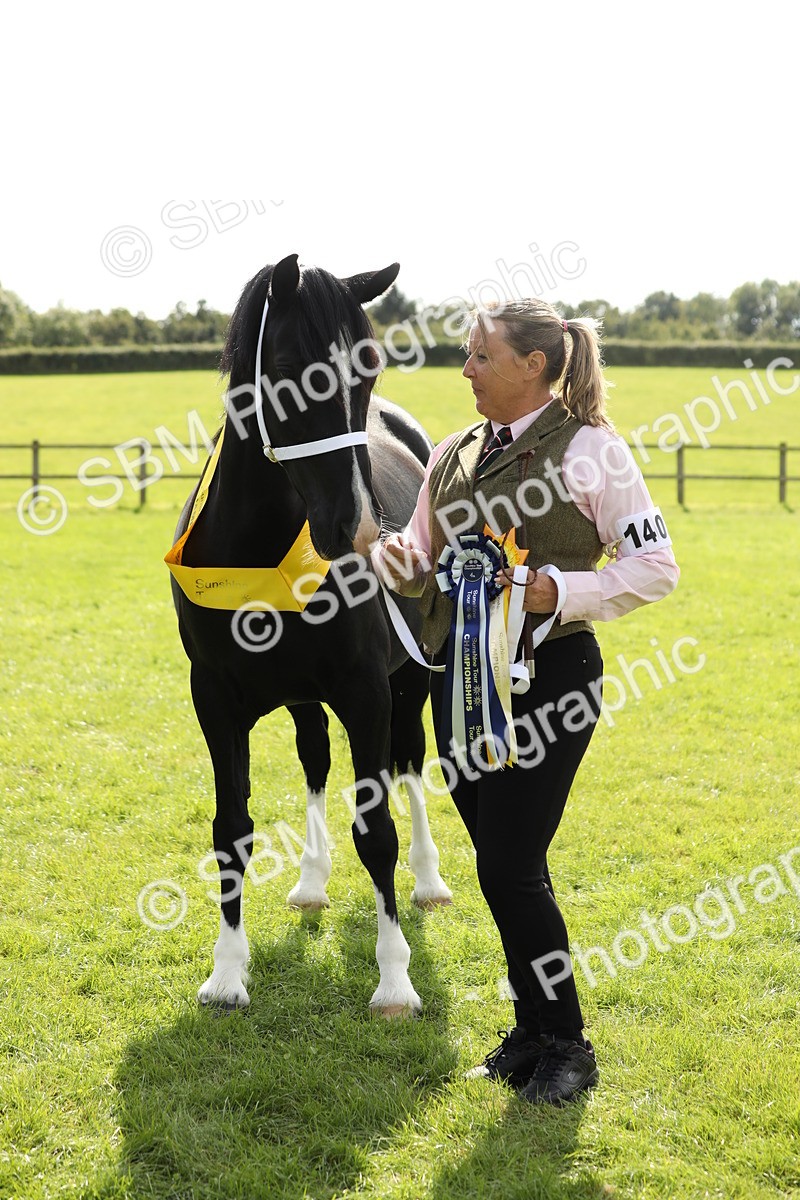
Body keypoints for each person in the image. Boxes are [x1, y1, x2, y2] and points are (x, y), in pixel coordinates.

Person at [378, 299, 679, 1105]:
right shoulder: (450, 451)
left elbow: (657, 568)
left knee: (510, 865)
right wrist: (387, 555)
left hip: (551, 680)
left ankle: (568, 1047)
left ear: (533, 365)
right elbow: (419, 555)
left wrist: (561, 591)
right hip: (459, 683)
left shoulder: (594, 452)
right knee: (499, 864)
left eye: (480, 355)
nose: (465, 369)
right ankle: (533, 1034)